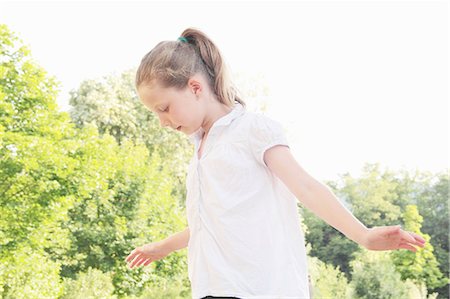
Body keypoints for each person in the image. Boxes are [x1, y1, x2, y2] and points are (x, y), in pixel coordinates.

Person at [125, 28, 426, 299]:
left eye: (164, 109)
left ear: (195, 87)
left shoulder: (252, 130)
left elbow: (306, 187)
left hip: (260, 288)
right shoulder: (202, 150)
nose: (162, 122)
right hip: (212, 288)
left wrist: (364, 235)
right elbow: (214, 223)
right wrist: (163, 247)